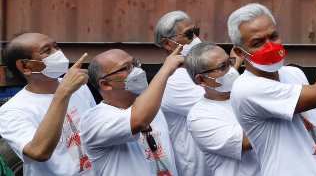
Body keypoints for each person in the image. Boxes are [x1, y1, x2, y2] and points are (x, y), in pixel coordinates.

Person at [228, 4, 316, 176]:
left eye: (273, 37)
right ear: (239, 52)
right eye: (257, 43)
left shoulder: (294, 74)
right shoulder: (246, 89)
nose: (269, 46)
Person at [0, 33, 94, 176]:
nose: (58, 53)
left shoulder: (79, 87)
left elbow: (95, 130)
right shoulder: (12, 110)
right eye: (47, 51)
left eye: (56, 47)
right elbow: (38, 152)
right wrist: (63, 93)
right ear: (24, 66)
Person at [80, 46, 184, 176]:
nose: (137, 70)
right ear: (105, 84)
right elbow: (137, 121)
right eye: (126, 68)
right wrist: (165, 70)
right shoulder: (94, 119)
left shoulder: (150, 105)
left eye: (135, 63)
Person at [185, 41, 260, 176]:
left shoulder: (247, 92)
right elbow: (249, 140)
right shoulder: (199, 118)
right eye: (222, 67)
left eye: (230, 62)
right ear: (201, 80)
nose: (231, 70)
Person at [153, 11, 207, 176]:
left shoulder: (194, 72)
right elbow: (219, 105)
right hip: (193, 167)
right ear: (168, 44)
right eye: (189, 35)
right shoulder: (172, 80)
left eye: (196, 32)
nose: (196, 40)